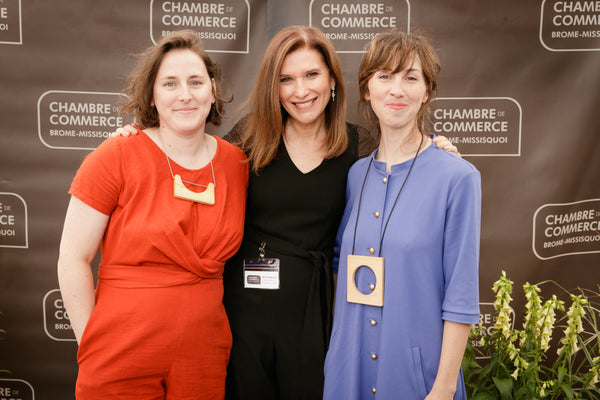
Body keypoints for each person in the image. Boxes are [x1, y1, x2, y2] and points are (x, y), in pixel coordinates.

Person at [112, 26, 459, 400]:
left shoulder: (361, 147)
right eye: (286, 79)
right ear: (273, 88)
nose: (301, 90)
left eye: (311, 75)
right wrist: (142, 138)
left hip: (317, 318)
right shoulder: (249, 139)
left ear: (332, 80)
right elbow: (189, 163)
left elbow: (403, 162)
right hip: (244, 317)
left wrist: (434, 150)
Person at [57, 30, 248, 399]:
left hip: (203, 355)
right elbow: (72, 258)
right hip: (119, 351)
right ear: (152, 95)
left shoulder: (236, 164)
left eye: (195, 82)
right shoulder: (116, 156)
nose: (185, 95)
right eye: (170, 83)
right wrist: (91, 345)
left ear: (212, 88)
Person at [322, 30, 481, 400]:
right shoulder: (355, 175)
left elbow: (460, 294)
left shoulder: (457, 177)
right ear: (366, 89)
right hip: (350, 371)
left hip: (417, 377)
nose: (397, 89)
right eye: (384, 76)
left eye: (410, 77)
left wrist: (442, 387)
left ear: (426, 92)